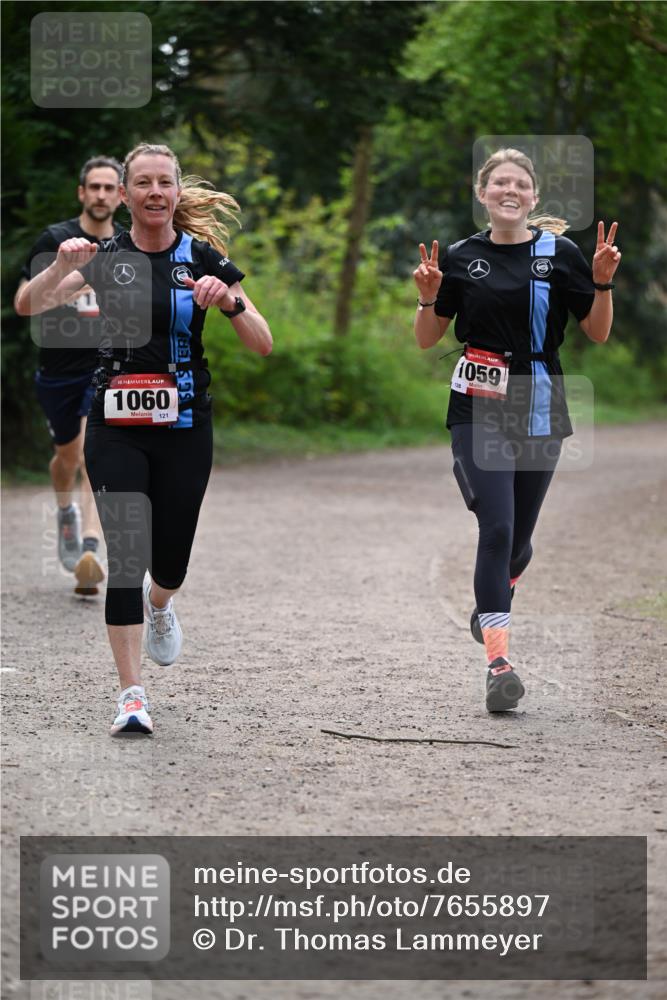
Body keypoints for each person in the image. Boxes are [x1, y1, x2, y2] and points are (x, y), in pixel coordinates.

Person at [16, 142, 273, 735]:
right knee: (127, 555)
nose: (155, 192)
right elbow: (29, 305)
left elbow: (262, 342)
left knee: (171, 561)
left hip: (185, 424)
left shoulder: (203, 257)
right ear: (126, 195)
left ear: (178, 193)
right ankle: (132, 695)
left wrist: (230, 302)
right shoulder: (104, 257)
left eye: (166, 182)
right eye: (144, 183)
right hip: (115, 425)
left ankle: (162, 605)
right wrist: (58, 266)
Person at [413, 147, 621, 712]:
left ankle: (495, 600)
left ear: (533, 198)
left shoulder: (562, 253)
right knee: (497, 527)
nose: (510, 190)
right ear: (482, 194)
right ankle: (499, 663)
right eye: (498, 182)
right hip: (477, 403)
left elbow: (597, 333)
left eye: (520, 184)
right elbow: (428, 338)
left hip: (540, 398)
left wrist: (601, 285)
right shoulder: (459, 256)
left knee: (520, 542)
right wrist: (428, 297)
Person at [14, 156, 124, 595]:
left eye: (109, 187)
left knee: (93, 454)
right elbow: (25, 301)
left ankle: (90, 551)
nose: (100, 195)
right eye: (93, 187)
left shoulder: (129, 247)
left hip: (109, 367)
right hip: (59, 369)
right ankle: (66, 514)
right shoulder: (56, 239)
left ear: (120, 195)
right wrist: (69, 275)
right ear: (82, 193)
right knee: (67, 459)